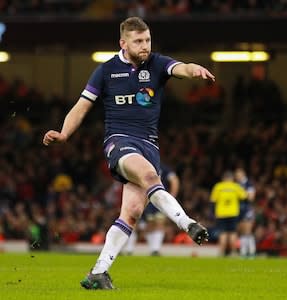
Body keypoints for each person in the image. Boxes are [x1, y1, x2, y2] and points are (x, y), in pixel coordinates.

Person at [43, 16, 213, 290]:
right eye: (138, 41)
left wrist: (195, 70)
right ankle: (188, 223)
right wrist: (64, 134)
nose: (145, 46)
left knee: (132, 213)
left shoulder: (157, 64)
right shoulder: (106, 71)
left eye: (147, 40)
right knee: (148, 176)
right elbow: (82, 106)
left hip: (150, 145)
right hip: (119, 142)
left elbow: (181, 67)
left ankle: (98, 272)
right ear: (123, 43)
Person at [123, 162, 180, 256]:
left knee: (157, 222)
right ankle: (130, 249)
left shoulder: (161, 167)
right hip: (141, 198)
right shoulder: (137, 166)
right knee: (134, 222)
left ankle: (154, 249)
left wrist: (171, 197)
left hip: (155, 199)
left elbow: (174, 180)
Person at [210, 171, 247, 256]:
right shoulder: (236, 186)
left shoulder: (218, 186)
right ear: (232, 178)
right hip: (233, 213)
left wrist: (213, 213)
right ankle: (233, 252)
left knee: (223, 233)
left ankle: (221, 252)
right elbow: (244, 196)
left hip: (221, 213)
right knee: (233, 233)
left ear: (223, 178)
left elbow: (213, 201)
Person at [235, 167, 256, 257]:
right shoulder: (236, 184)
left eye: (238, 174)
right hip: (238, 210)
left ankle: (251, 251)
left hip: (247, 209)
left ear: (243, 174)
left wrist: (241, 194)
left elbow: (251, 197)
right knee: (242, 231)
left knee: (248, 230)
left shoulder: (248, 184)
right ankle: (243, 251)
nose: (237, 176)